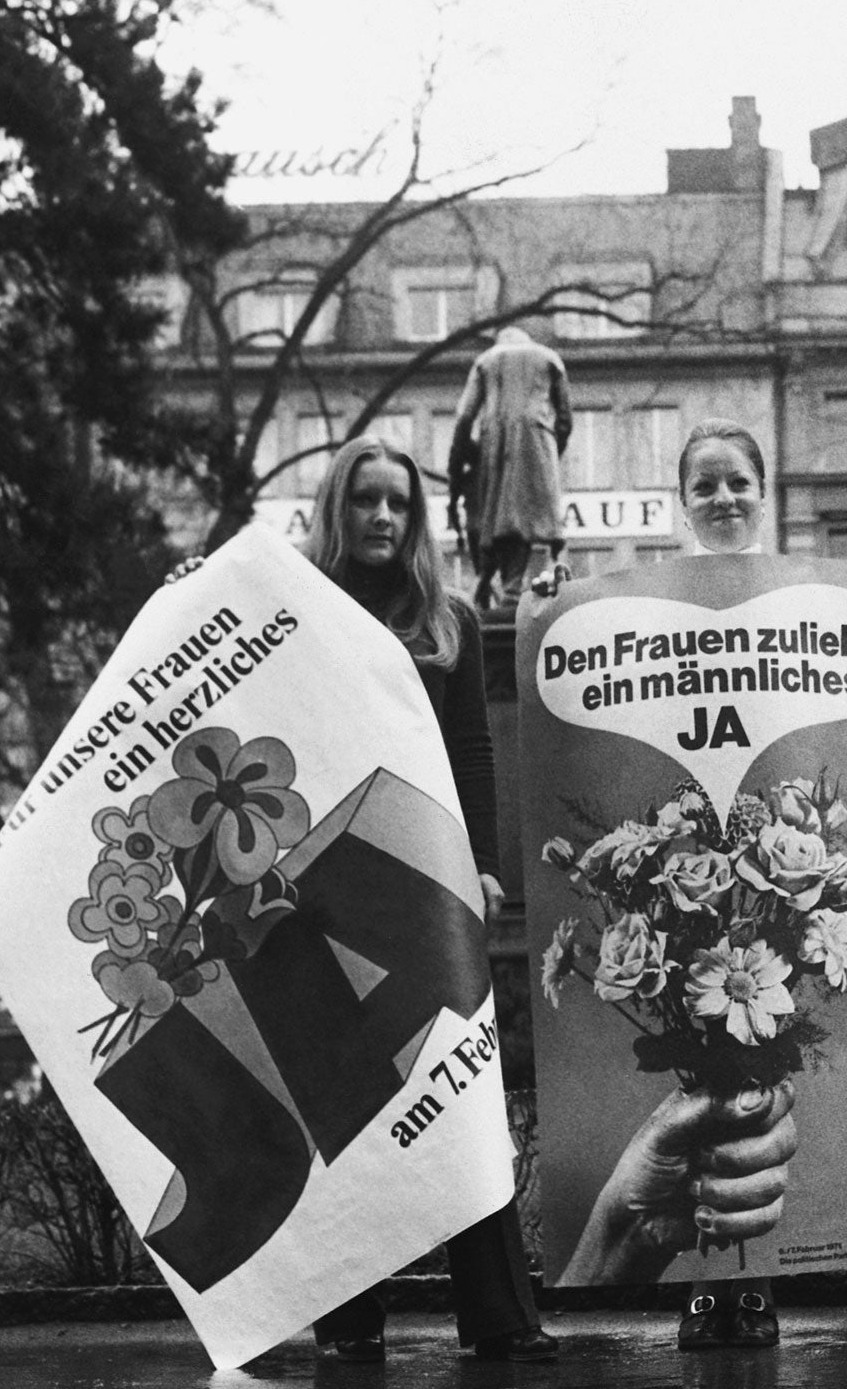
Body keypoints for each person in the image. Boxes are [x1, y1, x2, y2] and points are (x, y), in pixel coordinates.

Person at [540, 418, 847, 1350]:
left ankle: (754, 1286)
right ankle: (707, 1284)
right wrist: (548, 618)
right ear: (685, 502)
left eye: (737, 483)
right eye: (705, 485)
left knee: (754, 1081)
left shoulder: (810, 597)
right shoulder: (654, 600)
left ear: (763, 492)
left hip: (774, 851)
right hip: (694, 862)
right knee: (707, 1073)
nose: (723, 499)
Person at [299, 436, 559, 1364]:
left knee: (460, 1100)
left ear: (415, 519)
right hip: (319, 892)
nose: (381, 517)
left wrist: (483, 865)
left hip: (430, 885)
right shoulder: (294, 614)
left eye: (398, 504)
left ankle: (499, 1320)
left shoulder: (444, 619)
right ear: (339, 508)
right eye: (364, 500)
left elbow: (472, 754)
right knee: (348, 1102)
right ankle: (349, 1324)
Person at [449, 326, 572, 609]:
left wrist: (462, 462)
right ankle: (522, 589)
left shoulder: (486, 361)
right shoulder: (550, 358)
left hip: (495, 444)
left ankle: (510, 590)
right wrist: (554, 452)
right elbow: (565, 418)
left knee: (501, 518)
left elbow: (464, 418)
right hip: (540, 440)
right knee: (533, 518)